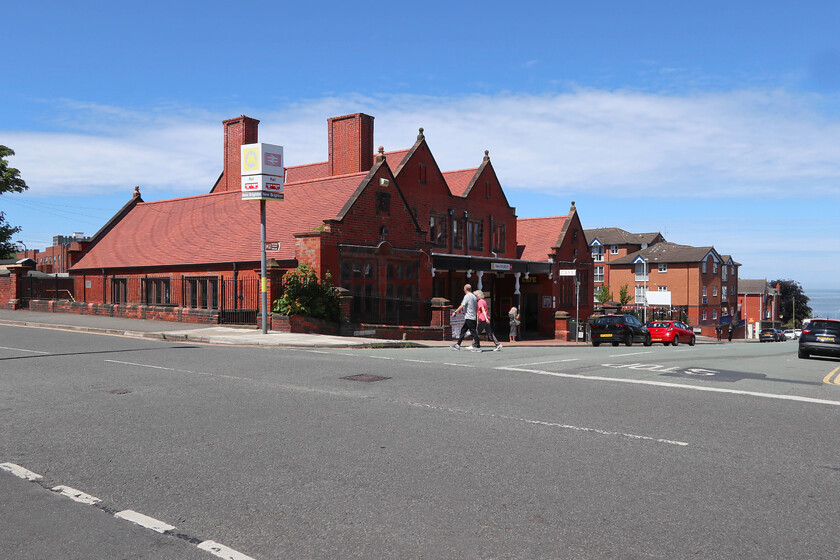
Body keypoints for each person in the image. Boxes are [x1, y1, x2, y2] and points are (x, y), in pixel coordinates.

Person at [451, 284, 481, 351]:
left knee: (473, 332)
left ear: (465, 290)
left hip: (469, 317)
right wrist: (475, 314)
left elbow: (462, 305)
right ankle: (458, 344)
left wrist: (455, 312)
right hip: (471, 317)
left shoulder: (467, 296)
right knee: (463, 331)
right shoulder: (474, 296)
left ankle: (478, 347)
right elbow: (477, 307)